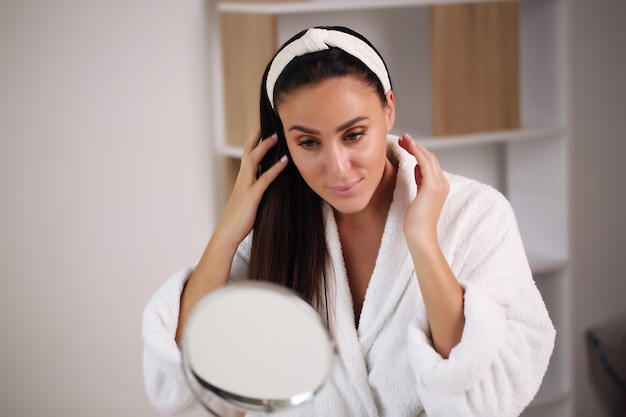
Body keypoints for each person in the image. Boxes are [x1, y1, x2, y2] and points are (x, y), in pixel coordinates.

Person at [142, 26, 556, 416]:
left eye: (354, 134)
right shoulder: (277, 232)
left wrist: (423, 241)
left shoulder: (476, 215)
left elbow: (486, 397)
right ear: (284, 140)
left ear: (389, 108)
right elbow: (179, 383)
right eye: (308, 142)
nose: (337, 168)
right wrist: (228, 232)